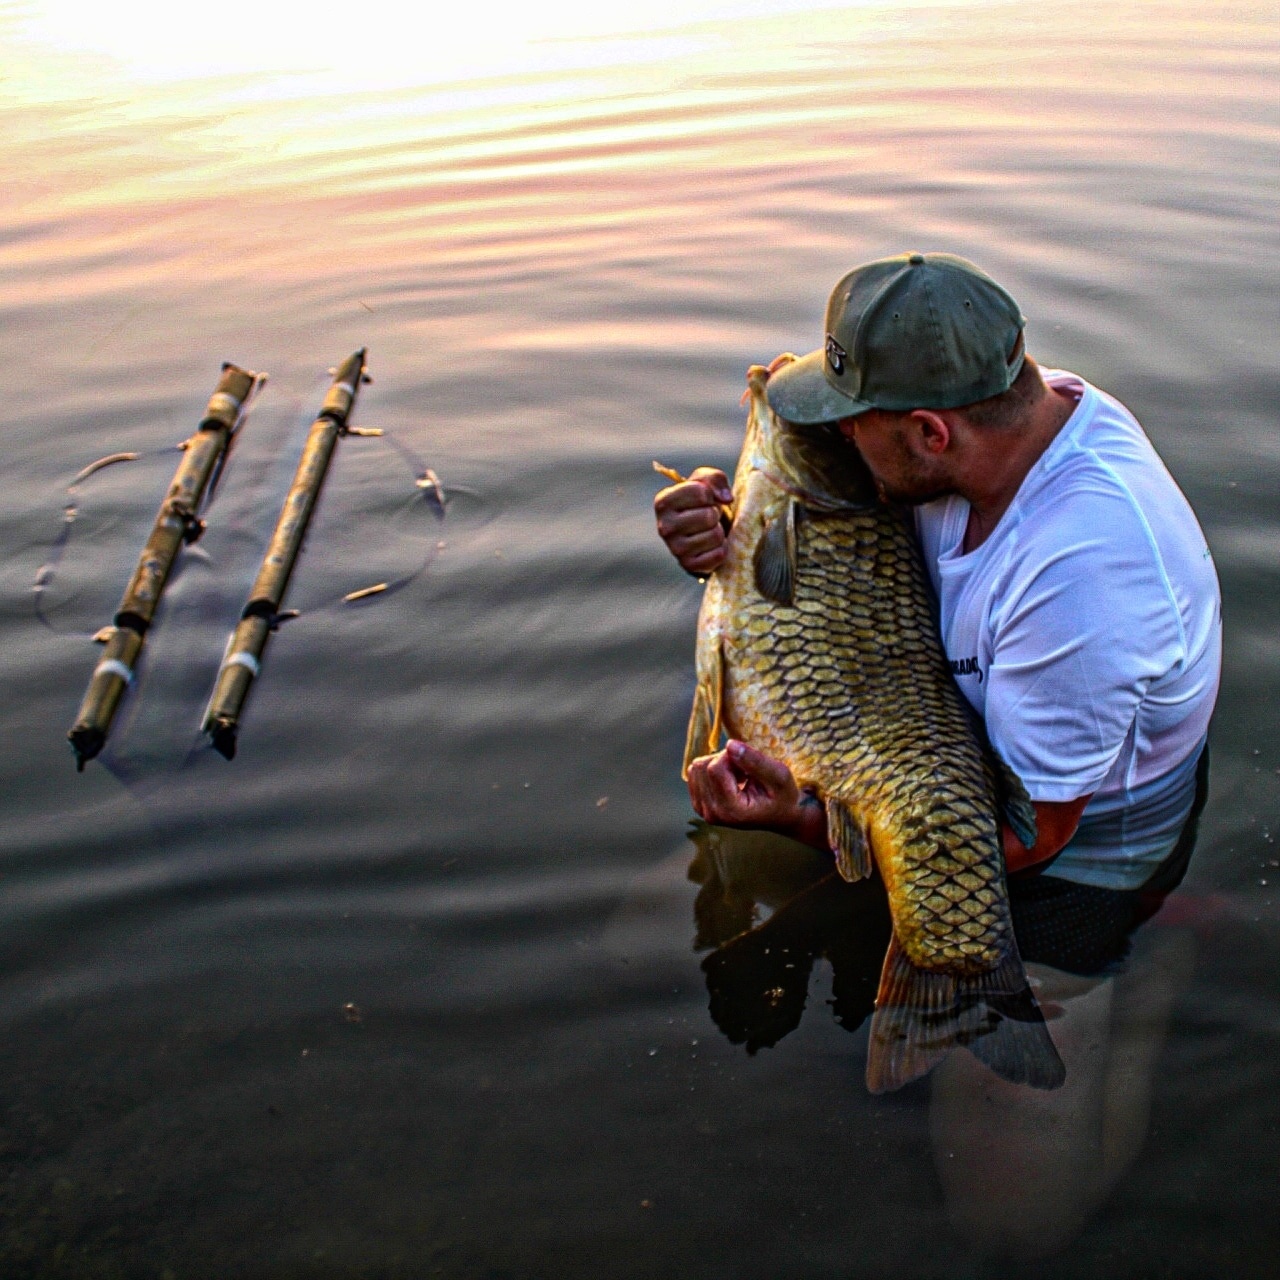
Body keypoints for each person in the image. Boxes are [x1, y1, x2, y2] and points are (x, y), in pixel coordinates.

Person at [654, 251, 1221, 887]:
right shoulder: (997, 412)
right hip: (937, 757)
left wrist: (796, 821)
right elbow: (837, 527)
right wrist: (735, 529)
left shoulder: (1086, 578)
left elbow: (1026, 840)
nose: (836, 432)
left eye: (848, 421)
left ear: (930, 434)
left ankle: (1161, 939)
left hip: (1075, 862)